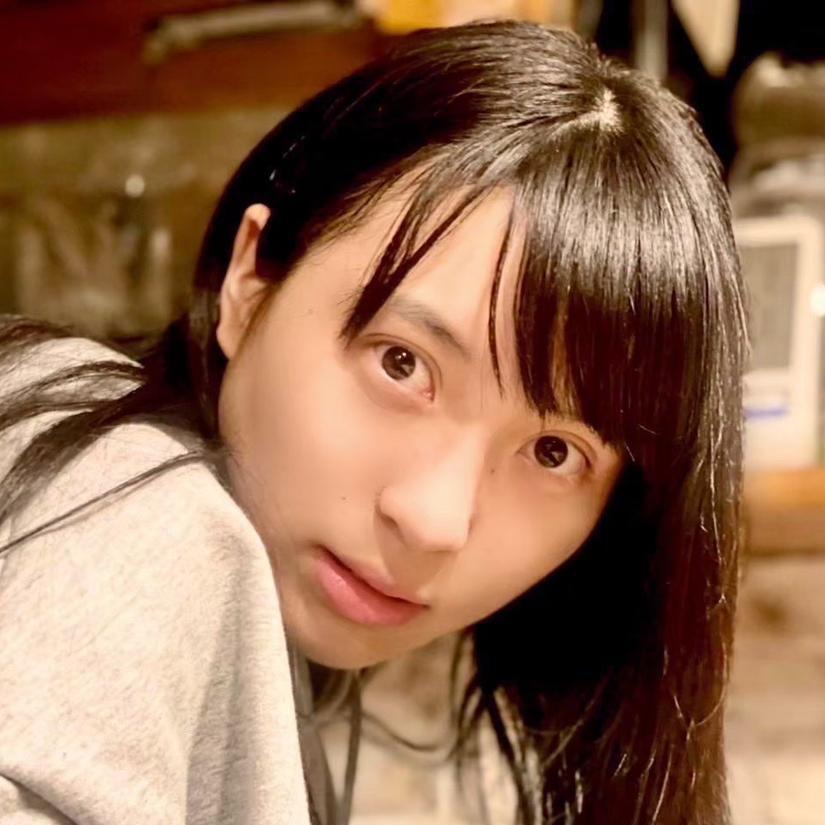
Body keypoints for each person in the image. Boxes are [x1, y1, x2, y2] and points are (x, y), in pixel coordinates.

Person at [0, 20, 747, 825]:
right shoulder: (140, 520)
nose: (433, 520)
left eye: (552, 451)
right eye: (401, 363)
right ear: (251, 282)